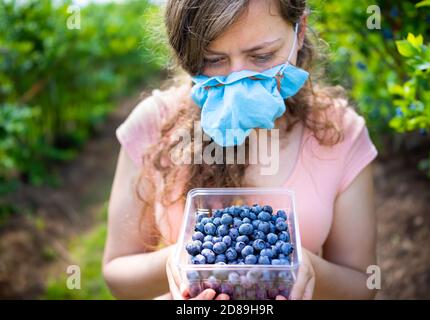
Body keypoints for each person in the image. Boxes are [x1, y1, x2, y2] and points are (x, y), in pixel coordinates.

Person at [102, 0, 378, 300]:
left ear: (299, 32)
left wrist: (304, 265)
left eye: (262, 56)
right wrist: (178, 259)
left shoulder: (340, 133)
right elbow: (117, 274)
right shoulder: (153, 124)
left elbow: (365, 284)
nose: (238, 77)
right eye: (214, 59)